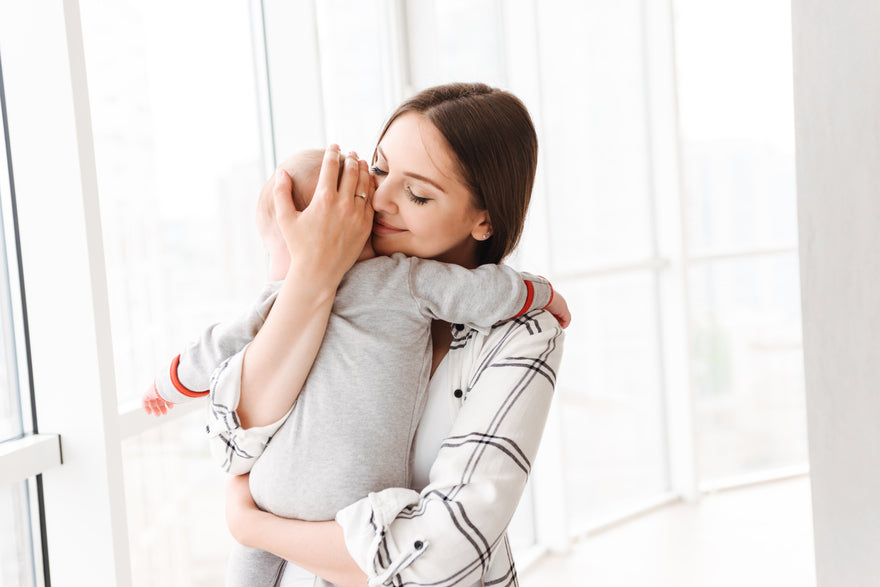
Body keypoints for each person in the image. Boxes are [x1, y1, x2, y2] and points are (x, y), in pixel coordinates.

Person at [143, 146, 567, 584]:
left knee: (248, 568)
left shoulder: (289, 300)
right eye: (381, 172)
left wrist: (165, 385)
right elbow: (490, 292)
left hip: (270, 497)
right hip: (352, 508)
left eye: (418, 193)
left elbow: (212, 350)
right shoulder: (399, 280)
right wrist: (541, 292)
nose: (385, 199)